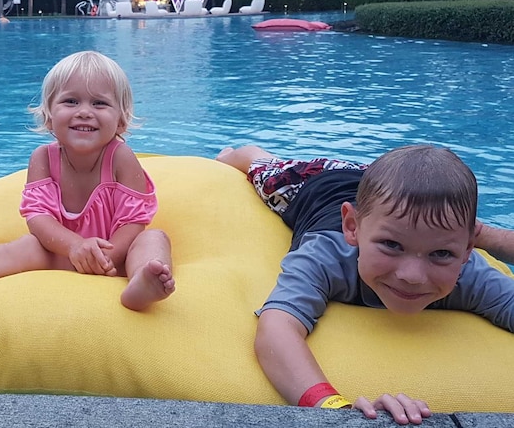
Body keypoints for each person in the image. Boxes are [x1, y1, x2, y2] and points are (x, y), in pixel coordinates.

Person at [216, 144, 514, 425]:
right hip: (317, 185)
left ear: (467, 251)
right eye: (391, 245)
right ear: (352, 227)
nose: (412, 276)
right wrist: (333, 409)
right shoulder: (325, 255)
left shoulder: (468, 273)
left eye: (442, 253)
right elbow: (276, 330)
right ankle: (237, 154)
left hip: (380, 193)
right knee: (263, 167)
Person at [0, 50, 175, 311]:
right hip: (58, 252)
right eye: (71, 101)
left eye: (99, 103)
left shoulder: (121, 158)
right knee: (25, 245)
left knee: (153, 238)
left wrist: (106, 256)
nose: (84, 112)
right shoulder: (43, 159)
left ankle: (142, 283)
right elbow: (38, 218)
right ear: (49, 116)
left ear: (121, 120)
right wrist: (75, 247)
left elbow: (133, 220)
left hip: (115, 256)